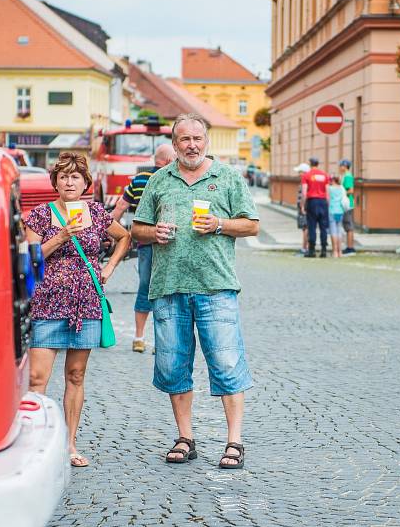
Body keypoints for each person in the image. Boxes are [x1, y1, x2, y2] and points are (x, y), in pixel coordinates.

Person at [132, 113, 259, 470]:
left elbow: (251, 225)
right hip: (169, 286)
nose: (192, 145)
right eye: (184, 139)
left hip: (216, 286)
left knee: (227, 362)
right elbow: (137, 229)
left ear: (207, 142)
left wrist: (219, 224)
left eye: (198, 139)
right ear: (174, 145)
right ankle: (185, 437)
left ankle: (235, 441)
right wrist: (152, 232)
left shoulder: (228, 177)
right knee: (173, 365)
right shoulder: (159, 181)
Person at [25, 151, 130, 468]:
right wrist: (60, 237)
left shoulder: (96, 213)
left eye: (75, 176)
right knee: (36, 377)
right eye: (63, 176)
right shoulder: (40, 216)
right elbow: (30, 258)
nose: (69, 181)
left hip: (85, 303)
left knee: (75, 375)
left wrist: (108, 268)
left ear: (86, 182)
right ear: (55, 181)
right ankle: (36, 443)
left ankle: (69, 444)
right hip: (47, 302)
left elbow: (124, 237)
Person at [112, 143, 177, 353]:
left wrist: (109, 234)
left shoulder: (139, 179)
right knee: (167, 291)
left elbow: (121, 206)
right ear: (168, 160)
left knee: (145, 288)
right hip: (169, 243)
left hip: (144, 243)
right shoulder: (172, 178)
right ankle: (161, 341)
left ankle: (138, 338)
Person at [301, 157, 330, 258]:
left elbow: (304, 192)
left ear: (310, 164)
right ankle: (324, 250)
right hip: (323, 202)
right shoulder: (325, 175)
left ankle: (312, 251)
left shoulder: (306, 175)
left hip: (312, 201)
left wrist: (303, 205)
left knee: (312, 226)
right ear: (318, 164)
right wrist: (328, 204)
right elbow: (327, 192)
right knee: (323, 227)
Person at [339, 159, 357, 255]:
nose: (339, 167)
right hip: (346, 203)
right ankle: (349, 246)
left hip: (347, 204)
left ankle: (350, 248)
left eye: (341, 165)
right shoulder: (345, 176)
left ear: (345, 166)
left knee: (348, 226)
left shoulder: (348, 176)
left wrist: (340, 193)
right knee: (347, 226)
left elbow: (351, 190)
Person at [327, 175, 346, 258]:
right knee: (339, 231)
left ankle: (335, 252)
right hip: (340, 211)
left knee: (333, 232)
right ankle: (340, 252)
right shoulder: (342, 188)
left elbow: (327, 199)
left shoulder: (329, 188)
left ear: (332, 180)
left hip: (332, 211)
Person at [294, 163, 310, 255]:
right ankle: (304, 247)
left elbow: (304, 195)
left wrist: (303, 206)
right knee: (304, 228)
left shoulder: (305, 182)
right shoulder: (304, 181)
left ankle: (305, 248)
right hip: (303, 207)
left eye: (299, 172)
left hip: (304, 207)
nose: (298, 174)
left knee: (305, 227)